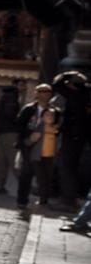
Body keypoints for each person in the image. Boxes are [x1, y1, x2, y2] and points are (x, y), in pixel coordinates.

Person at [16, 83, 59, 219]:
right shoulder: (28, 109)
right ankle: (22, 201)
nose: (45, 94)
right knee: (27, 173)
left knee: (45, 175)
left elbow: (58, 127)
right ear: (36, 93)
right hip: (29, 146)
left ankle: (43, 200)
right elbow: (18, 126)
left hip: (46, 147)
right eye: (41, 91)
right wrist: (30, 134)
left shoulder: (55, 111)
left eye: (47, 91)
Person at [53, 71, 88, 210]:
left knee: (66, 167)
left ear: (72, 85)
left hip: (72, 135)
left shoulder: (75, 94)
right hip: (82, 136)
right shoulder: (86, 92)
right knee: (72, 167)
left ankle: (68, 200)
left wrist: (67, 74)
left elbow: (57, 84)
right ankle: (71, 197)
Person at [0, 83, 22, 194]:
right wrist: (19, 123)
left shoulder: (6, 96)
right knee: (14, 160)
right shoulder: (12, 97)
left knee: (2, 160)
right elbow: (10, 114)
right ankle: (24, 185)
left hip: (2, 131)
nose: (24, 88)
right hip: (10, 132)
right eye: (23, 85)